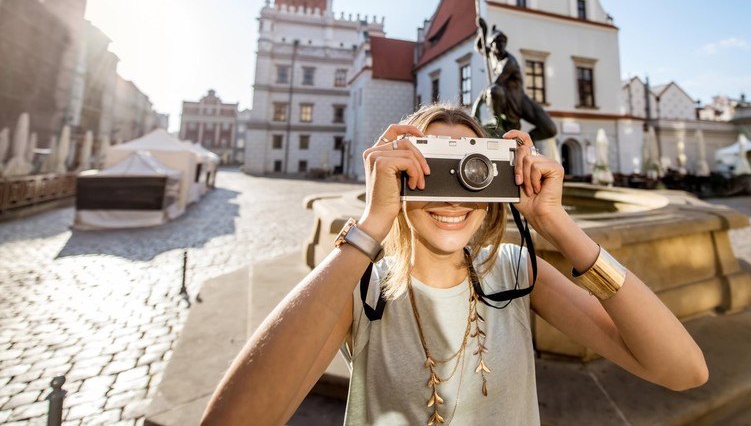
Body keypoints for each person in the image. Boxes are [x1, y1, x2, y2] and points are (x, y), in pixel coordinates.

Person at [202, 104, 708, 425]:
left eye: (477, 172)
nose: (457, 192)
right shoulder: (363, 290)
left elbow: (683, 370)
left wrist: (557, 226)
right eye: (435, 170)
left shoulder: (516, 272)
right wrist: (372, 224)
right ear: (397, 175)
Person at [474, 23, 557, 141]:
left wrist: (477, 105)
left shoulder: (509, 62)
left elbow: (496, 82)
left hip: (518, 100)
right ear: (491, 45)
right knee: (494, 91)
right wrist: (483, 31)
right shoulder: (492, 55)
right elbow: (479, 47)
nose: (501, 44)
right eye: (497, 42)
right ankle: (497, 122)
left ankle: (523, 140)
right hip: (505, 100)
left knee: (550, 129)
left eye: (503, 42)